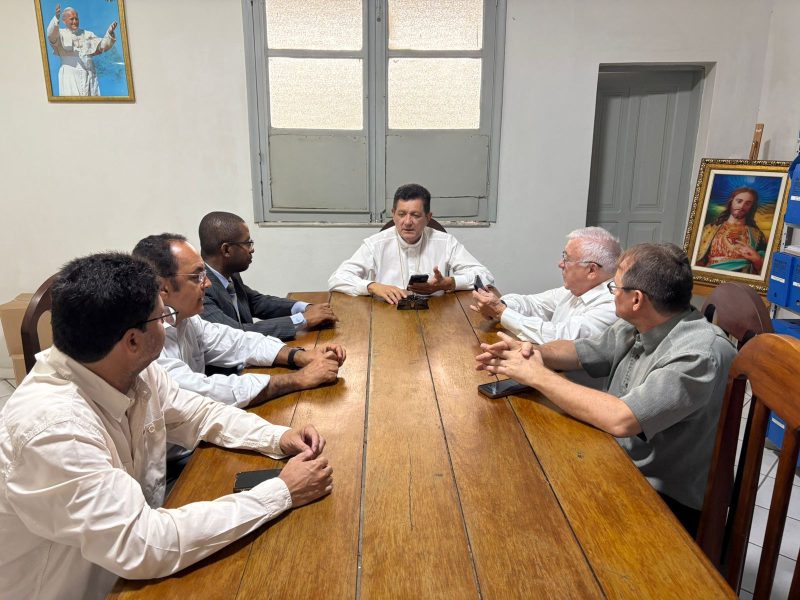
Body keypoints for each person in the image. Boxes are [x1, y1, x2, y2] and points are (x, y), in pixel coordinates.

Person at [0, 253, 333, 600]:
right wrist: (281, 492)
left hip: (125, 569)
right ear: (132, 341)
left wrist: (277, 436)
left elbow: (197, 413)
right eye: (163, 317)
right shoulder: (55, 430)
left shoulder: (126, 369)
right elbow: (143, 544)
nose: (170, 324)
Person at [475, 243, 736, 535]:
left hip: (660, 496)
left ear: (636, 299)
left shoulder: (698, 354)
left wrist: (538, 376)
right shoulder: (640, 323)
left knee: (528, 510)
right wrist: (531, 352)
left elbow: (621, 419)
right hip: (615, 458)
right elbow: (580, 352)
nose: (612, 292)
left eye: (615, 287)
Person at [132, 234, 346, 411]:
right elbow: (205, 392)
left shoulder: (187, 320)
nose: (207, 284)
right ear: (163, 288)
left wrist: (300, 356)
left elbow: (238, 341)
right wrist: (299, 379)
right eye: (197, 276)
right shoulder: (146, 341)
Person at [328, 183, 495, 304]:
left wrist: (449, 283)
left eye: (415, 215)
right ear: (393, 214)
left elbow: (485, 276)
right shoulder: (375, 244)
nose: (407, 222)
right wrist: (373, 286)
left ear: (428, 217)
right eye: (401, 214)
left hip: (437, 315)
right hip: (387, 315)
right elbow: (337, 278)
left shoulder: (445, 242)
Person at [199, 211, 337, 341]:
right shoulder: (200, 289)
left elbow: (257, 302)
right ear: (226, 250)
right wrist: (302, 320)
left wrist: (305, 308)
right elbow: (236, 334)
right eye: (248, 243)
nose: (252, 249)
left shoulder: (230, 272)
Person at [470, 226, 620, 344]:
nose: (560, 264)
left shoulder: (613, 304)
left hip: (563, 374)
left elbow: (560, 338)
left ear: (591, 270)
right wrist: (501, 305)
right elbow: (533, 303)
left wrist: (500, 312)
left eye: (566, 259)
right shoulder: (575, 290)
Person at [46, 4, 118, 97]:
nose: (75, 21)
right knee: (73, 103)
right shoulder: (60, 33)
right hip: (70, 76)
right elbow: (51, 35)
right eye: (71, 19)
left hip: (89, 75)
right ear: (64, 21)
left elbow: (101, 47)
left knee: (92, 103)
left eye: (76, 19)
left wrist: (109, 33)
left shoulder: (87, 34)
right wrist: (56, 19)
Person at [696, 186, 768, 273]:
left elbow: (764, 270)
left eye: (747, 203)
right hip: (712, 275)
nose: (742, 206)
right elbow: (698, 259)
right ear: (731, 202)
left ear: (751, 207)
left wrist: (757, 259)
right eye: (739, 201)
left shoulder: (757, 235)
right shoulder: (710, 229)